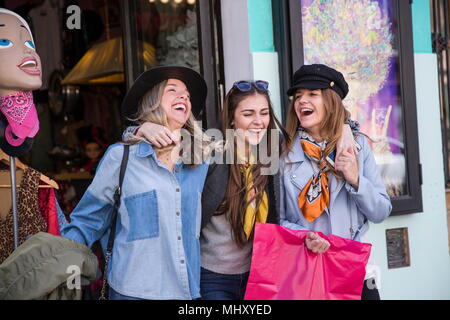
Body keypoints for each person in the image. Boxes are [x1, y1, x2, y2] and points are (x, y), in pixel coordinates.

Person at [123, 79, 358, 300]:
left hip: (259, 273)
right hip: (212, 277)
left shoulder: (276, 152)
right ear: (232, 119)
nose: (259, 121)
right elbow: (163, 151)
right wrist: (139, 130)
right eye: (248, 114)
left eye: (264, 113)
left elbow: (319, 129)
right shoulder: (208, 153)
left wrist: (346, 128)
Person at [61, 66, 211, 300]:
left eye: (187, 95)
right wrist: (58, 264)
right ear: (152, 101)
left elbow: (247, 143)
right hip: (132, 291)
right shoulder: (121, 157)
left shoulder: (200, 161)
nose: (184, 96)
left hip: (185, 290)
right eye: (173, 90)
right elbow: (88, 220)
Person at [279, 63, 392, 300]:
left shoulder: (357, 148)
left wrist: (354, 178)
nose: (302, 101)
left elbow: (381, 211)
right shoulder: (282, 153)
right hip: (307, 275)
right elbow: (277, 218)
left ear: (331, 101)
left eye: (312, 94)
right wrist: (304, 236)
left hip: (355, 273)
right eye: (298, 96)